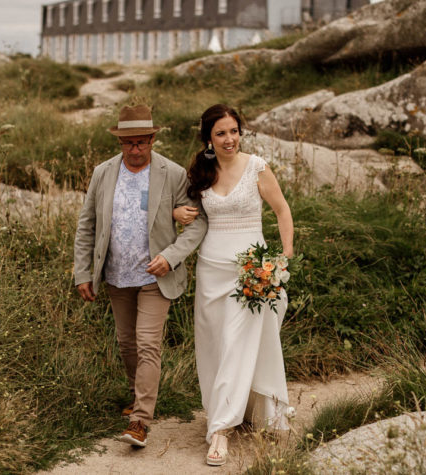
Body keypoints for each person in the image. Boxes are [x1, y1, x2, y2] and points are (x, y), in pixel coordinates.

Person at [74, 104, 207, 448]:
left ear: (151, 139)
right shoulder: (103, 172)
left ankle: (140, 421)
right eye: (128, 143)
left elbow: (198, 223)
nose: (135, 149)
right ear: (120, 142)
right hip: (116, 275)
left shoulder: (174, 173)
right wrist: (83, 272)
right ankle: (138, 395)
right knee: (126, 343)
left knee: (149, 343)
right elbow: (87, 224)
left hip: (155, 277)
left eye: (141, 142)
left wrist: (171, 256)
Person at [173, 104, 294, 466]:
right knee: (214, 345)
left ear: (241, 133)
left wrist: (282, 260)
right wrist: (176, 213)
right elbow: (182, 210)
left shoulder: (256, 167)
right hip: (211, 269)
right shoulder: (200, 172)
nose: (229, 139)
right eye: (221, 133)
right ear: (209, 138)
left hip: (250, 270)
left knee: (237, 342)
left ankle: (221, 430)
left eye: (234, 131)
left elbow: (282, 211)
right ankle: (232, 409)